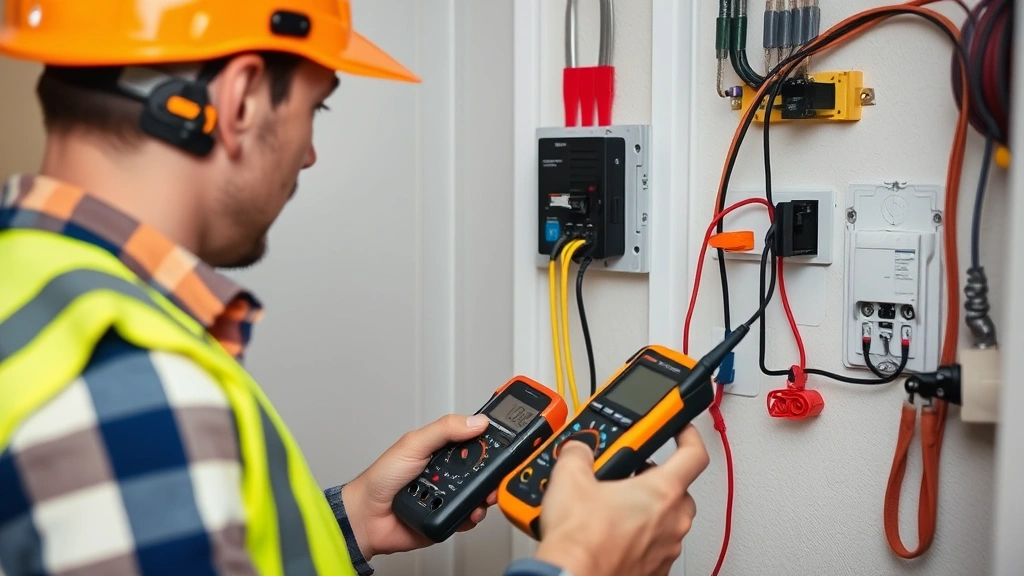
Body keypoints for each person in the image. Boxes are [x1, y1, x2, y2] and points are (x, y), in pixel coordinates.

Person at [0, 2, 709, 575]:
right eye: (318, 109)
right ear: (240, 98)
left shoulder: (31, 286)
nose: (310, 153)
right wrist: (582, 563)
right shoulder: (130, 377)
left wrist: (350, 523)